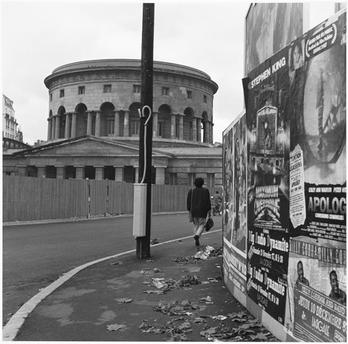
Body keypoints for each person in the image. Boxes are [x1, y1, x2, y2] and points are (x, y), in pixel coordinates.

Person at [187, 177, 211, 249]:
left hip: (193, 210)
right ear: (202, 183)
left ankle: (196, 238)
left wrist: (189, 210)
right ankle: (197, 235)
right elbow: (207, 201)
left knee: (196, 224)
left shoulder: (191, 191)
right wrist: (209, 210)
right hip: (202, 210)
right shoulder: (205, 190)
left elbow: (188, 201)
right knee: (202, 224)